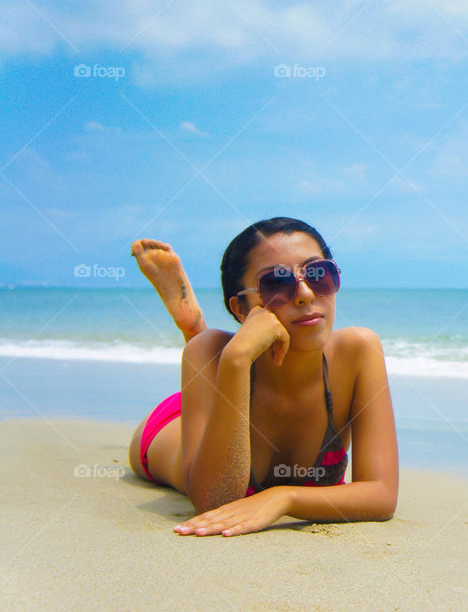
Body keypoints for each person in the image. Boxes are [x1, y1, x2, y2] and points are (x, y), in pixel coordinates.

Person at [126, 217, 398, 536]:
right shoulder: (216, 355)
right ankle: (195, 329)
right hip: (178, 415)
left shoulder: (358, 351)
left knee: (207, 352)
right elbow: (214, 500)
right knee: (205, 348)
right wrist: (236, 358)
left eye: (318, 274)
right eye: (276, 283)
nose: (305, 294)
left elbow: (381, 494)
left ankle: (195, 328)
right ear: (241, 309)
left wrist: (283, 497)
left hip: (217, 380)